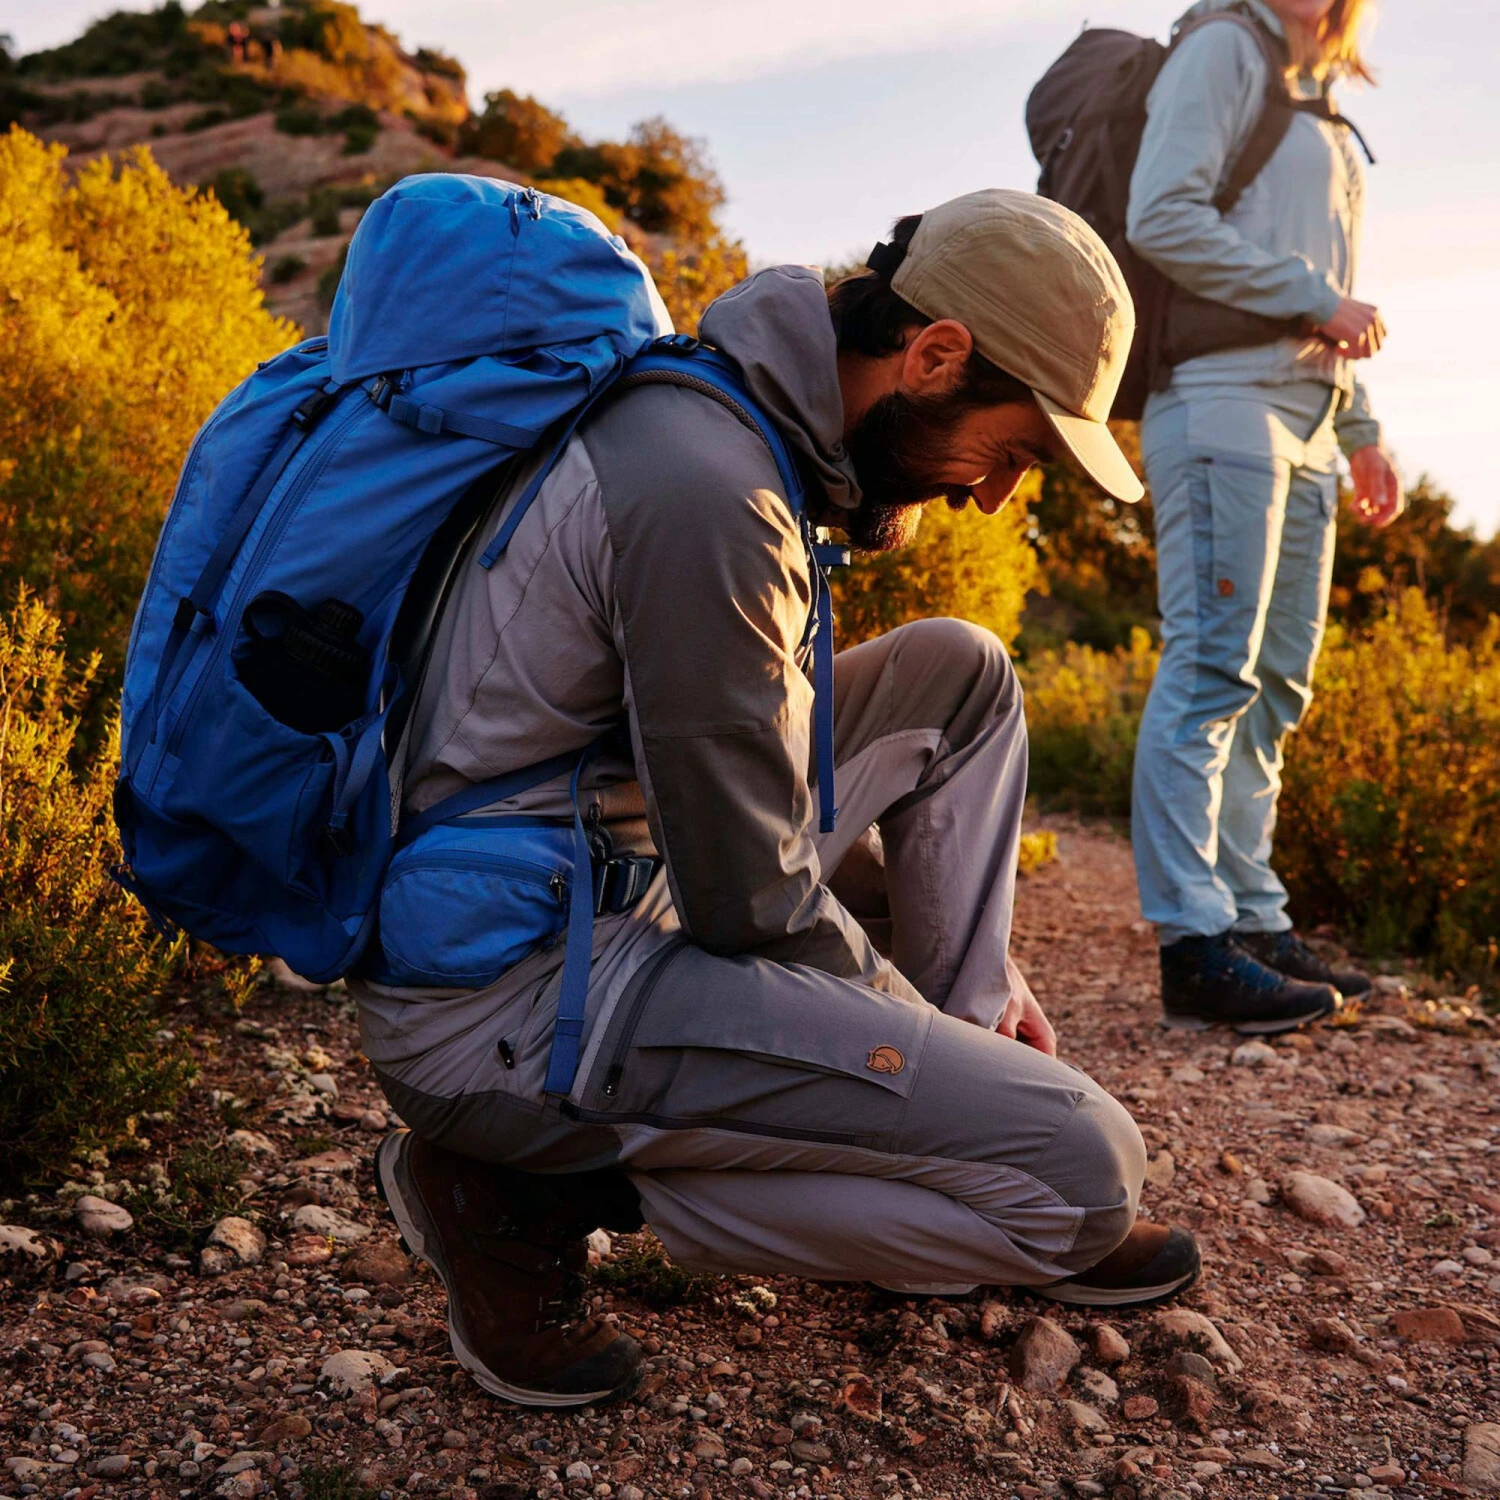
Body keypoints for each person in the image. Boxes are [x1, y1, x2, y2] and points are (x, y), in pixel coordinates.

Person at [356, 190, 1200, 1408]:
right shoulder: (709, 488)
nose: (993, 497)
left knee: (961, 673)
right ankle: (517, 1190)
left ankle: (959, 1096)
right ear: (935, 356)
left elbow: (740, 778)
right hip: (514, 999)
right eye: (1013, 452)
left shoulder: (735, 423)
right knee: (1084, 1175)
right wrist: (923, 1035)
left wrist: (957, 1002)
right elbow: (753, 899)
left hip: (601, 872)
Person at [1126, 0, 1403, 1034]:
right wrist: (1306, 298)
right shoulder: (1221, 47)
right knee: (1212, 668)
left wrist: (1362, 425)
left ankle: (1252, 915)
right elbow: (1161, 213)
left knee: (1278, 681)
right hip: (1222, 397)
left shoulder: (1321, 90)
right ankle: (1193, 944)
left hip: (1313, 417)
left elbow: (1330, 288)